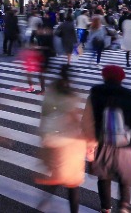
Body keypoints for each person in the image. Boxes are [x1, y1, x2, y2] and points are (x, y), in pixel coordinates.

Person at [82, 65, 131, 213]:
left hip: (102, 144)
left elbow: (86, 121)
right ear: (121, 78)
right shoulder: (129, 95)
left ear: (103, 76)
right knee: (125, 178)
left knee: (104, 177)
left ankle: (106, 208)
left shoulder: (95, 93)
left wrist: (89, 143)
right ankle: (124, 206)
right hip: (126, 145)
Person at [36, 64, 86, 213]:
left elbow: (44, 114)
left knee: (57, 174)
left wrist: (43, 134)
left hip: (53, 138)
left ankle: (45, 200)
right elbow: (74, 118)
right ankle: (73, 210)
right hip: (69, 142)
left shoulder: (52, 92)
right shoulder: (71, 95)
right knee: (72, 181)